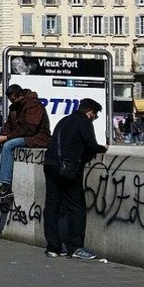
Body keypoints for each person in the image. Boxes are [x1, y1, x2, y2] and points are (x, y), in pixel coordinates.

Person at [43, 98, 108, 259]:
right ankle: (75, 247)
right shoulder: (83, 122)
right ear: (90, 112)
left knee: (52, 207)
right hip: (68, 170)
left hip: (50, 165)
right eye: (95, 115)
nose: (95, 118)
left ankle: (53, 247)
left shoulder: (64, 120)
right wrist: (102, 148)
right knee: (76, 209)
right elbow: (91, 145)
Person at [0, 84, 51, 200]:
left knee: (8, 145)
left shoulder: (33, 104)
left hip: (36, 137)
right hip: (18, 135)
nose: (13, 102)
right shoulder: (14, 107)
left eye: (14, 99)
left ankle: (5, 186)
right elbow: (8, 125)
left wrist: (6, 138)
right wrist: (1, 136)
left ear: (20, 95)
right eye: (11, 100)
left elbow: (29, 129)